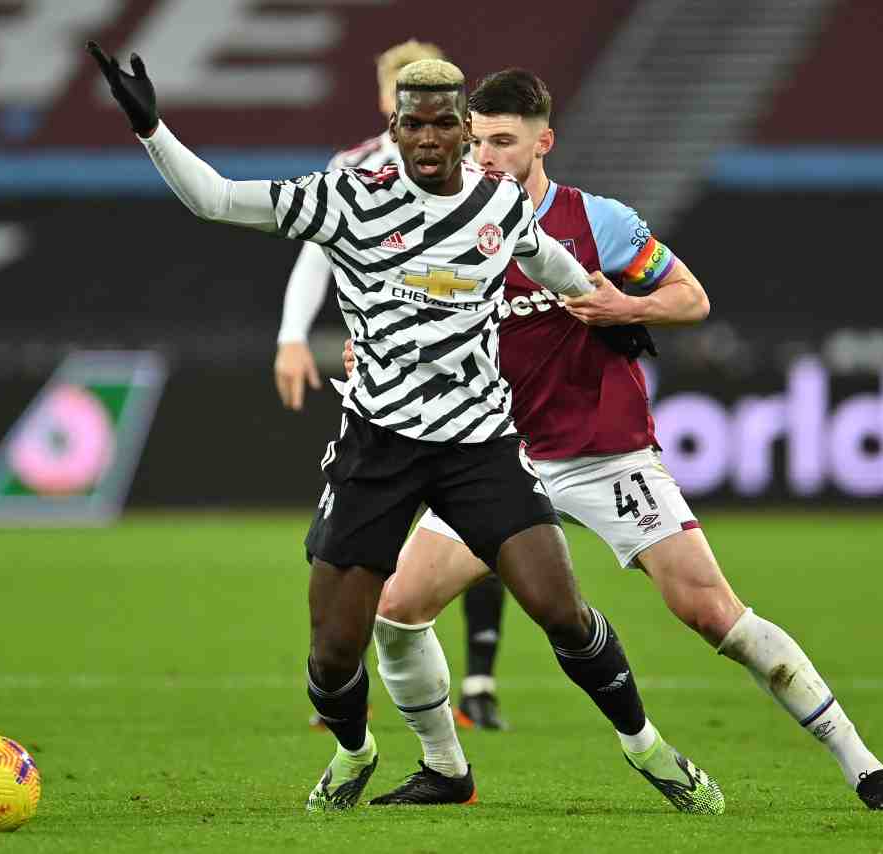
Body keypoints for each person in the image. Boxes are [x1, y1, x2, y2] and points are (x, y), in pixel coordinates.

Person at [87, 44, 723, 814]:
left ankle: (649, 750)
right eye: (413, 124)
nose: (428, 139)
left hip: (481, 445)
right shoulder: (348, 197)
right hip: (379, 446)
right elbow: (217, 199)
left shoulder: (499, 204)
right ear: (394, 126)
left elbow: (558, 270)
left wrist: (611, 310)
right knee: (333, 650)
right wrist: (152, 128)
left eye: (443, 126)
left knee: (561, 607)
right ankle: (357, 753)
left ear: (464, 131)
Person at [353, 68, 883, 811]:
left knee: (712, 613)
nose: (485, 156)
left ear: (542, 142)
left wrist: (629, 304)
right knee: (398, 606)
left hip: (606, 455)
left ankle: (865, 767)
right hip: (494, 458)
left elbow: (692, 297)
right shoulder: (446, 223)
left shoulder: (600, 223)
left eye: (503, 141)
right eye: (478, 140)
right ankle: (447, 770)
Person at [276, 39, 510, 732]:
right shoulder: (350, 172)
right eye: (401, 92)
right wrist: (294, 333)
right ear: (388, 102)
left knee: (483, 528)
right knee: (352, 541)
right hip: (381, 387)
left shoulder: (474, 170)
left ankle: (478, 682)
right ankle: (343, 682)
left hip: (463, 378)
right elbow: (318, 254)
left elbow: (507, 248)